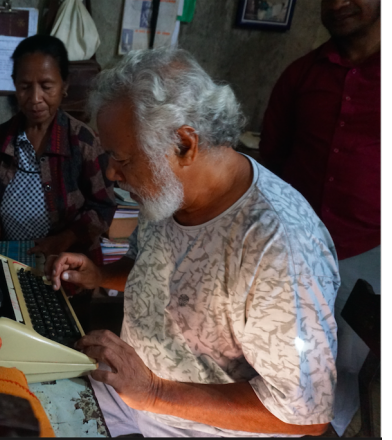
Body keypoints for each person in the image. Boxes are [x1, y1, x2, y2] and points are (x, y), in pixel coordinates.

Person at [46, 46, 340, 436]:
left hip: (190, 426)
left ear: (185, 144)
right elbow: (157, 273)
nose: (113, 174)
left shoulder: (279, 247)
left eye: (123, 159)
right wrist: (99, 275)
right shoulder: (169, 194)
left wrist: (153, 392)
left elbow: (306, 412)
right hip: (135, 393)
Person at [259, 0, 380, 434]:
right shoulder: (302, 76)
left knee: (354, 378)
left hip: (368, 252)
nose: (339, 3)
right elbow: (269, 163)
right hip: (294, 253)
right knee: (285, 370)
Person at [0, 34, 115, 267]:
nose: (35, 99)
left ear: (64, 85)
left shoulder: (84, 143)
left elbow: (103, 206)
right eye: (25, 86)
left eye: (46, 86)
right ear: (14, 84)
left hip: (67, 265)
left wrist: (64, 239)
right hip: (11, 260)